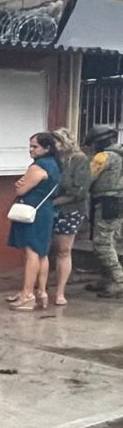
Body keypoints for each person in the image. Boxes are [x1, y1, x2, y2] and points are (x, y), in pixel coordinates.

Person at [6, 132, 61, 311]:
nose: (31, 150)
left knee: (31, 253)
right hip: (45, 211)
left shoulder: (38, 166)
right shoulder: (54, 164)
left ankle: (27, 294)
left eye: (35, 147)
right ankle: (41, 292)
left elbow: (20, 190)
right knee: (42, 252)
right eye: (30, 146)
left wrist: (20, 184)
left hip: (32, 212)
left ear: (46, 148)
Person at [48, 129, 90, 306]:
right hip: (51, 208)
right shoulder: (53, 160)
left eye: (56, 142)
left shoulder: (79, 159)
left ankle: (60, 292)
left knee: (64, 250)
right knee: (45, 248)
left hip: (70, 208)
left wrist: (56, 201)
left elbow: (79, 190)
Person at [84, 125, 123, 299]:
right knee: (111, 241)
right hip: (118, 203)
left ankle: (119, 281)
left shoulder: (103, 157)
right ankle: (107, 279)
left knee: (102, 243)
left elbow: (87, 178)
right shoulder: (120, 155)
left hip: (106, 203)